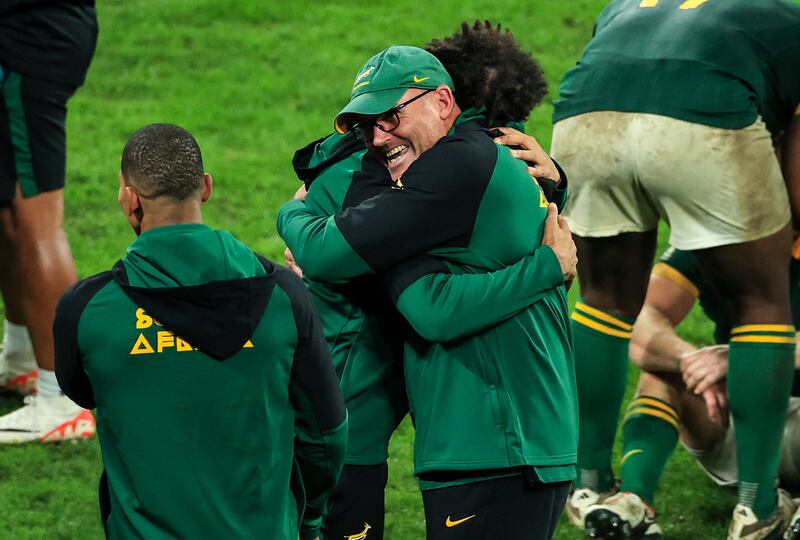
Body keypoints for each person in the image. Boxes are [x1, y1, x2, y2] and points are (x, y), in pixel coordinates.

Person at [286, 22, 574, 540]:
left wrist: (293, 215)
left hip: (473, 441)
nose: (378, 135)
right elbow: (420, 301)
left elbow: (432, 302)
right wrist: (547, 260)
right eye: (370, 124)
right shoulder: (410, 175)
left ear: (446, 102)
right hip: (335, 433)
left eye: (390, 117)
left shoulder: (454, 169)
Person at [551, 1, 800, 537]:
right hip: (706, 115)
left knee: (602, 299)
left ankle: (587, 481)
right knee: (762, 304)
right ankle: (758, 509)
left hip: (584, 113)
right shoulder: (785, 20)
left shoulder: (628, 6)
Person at [53, 124, 347, 539]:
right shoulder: (284, 296)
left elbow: (82, 389)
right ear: (205, 188)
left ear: (129, 198)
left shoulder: (85, 310)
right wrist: (308, 516)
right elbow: (326, 433)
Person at [570, 245, 800, 539]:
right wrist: (691, 363)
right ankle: (634, 502)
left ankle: (761, 512)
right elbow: (643, 320)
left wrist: (739, 358)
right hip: (743, 421)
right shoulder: (720, 237)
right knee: (662, 374)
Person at [0, 0, 98, 441]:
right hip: (32, 30)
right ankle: (21, 357)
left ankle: (61, 398)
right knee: (7, 206)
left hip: (28, 38)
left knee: (36, 214)